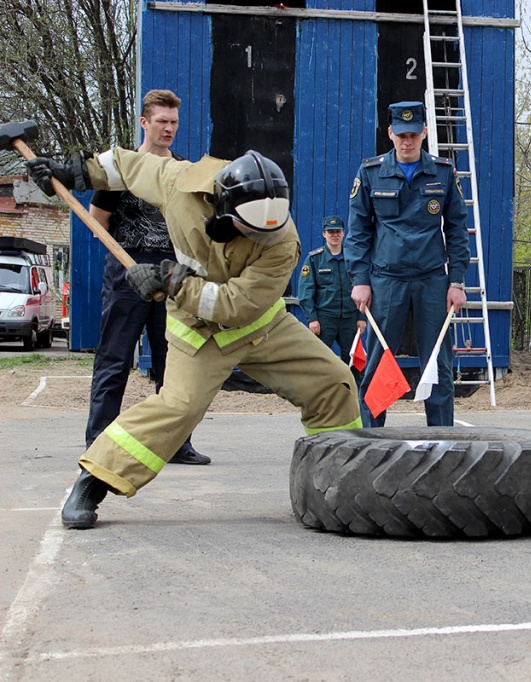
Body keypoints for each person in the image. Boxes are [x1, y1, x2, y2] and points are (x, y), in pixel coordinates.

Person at [27, 148, 362, 529]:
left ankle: (338, 479)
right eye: (249, 228)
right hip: (198, 331)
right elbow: (126, 166)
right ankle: (93, 480)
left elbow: (237, 306)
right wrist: (73, 171)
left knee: (333, 382)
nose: (259, 237)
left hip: (259, 326)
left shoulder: (282, 240)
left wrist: (170, 282)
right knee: (178, 410)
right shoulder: (179, 184)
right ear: (226, 206)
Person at [86, 89, 209, 465]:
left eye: (173, 122)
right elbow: (98, 222)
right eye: (162, 121)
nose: (169, 128)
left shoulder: (184, 171)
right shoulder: (121, 170)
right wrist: (125, 261)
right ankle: (99, 442)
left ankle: (176, 444)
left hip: (173, 274)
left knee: (173, 362)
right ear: (144, 122)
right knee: (114, 358)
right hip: (128, 269)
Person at [345, 101, 470, 427]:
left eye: (414, 134)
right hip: (386, 281)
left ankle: (443, 440)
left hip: (432, 281)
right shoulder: (370, 173)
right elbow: (357, 230)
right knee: (377, 363)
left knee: (439, 364)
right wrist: (360, 278)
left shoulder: (443, 172)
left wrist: (456, 282)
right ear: (390, 133)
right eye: (401, 135)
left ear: (424, 132)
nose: (407, 141)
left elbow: (457, 228)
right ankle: (372, 440)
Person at [297, 216, 364, 366]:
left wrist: (362, 317)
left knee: (354, 361)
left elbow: (363, 287)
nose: (334, 235)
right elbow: (305, 291)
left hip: (350, 319)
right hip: (325, 319)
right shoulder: (314, 259)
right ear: (324, 234)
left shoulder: (353, 258)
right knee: (319, 361)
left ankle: (354, 389)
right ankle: (319, 389)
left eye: (338, 231)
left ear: (343, 233)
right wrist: (312, 318)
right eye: (330, 231)